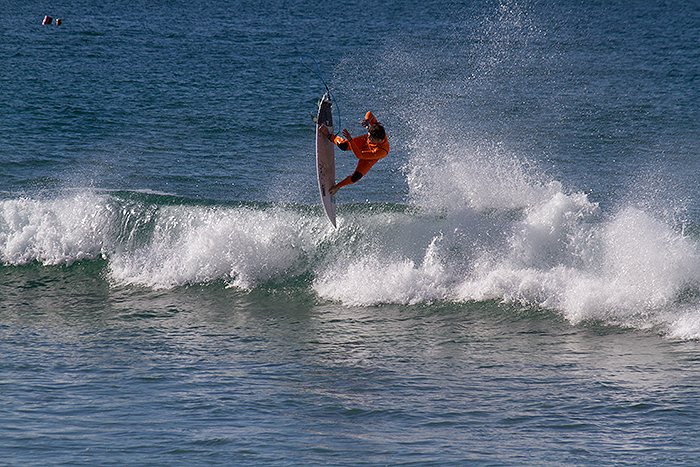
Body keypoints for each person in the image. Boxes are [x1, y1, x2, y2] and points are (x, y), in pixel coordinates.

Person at [319, 111, 389, 195]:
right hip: (363, 142)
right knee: (343, 145)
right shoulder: (377, 129)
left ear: (378, 140)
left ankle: (337, 186)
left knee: (356, 177)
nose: (369, 138)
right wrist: (367, 120)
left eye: (371, 138)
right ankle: (329, 135)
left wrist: (350, 140)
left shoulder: (382, 151)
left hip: (369, 156)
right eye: (369, 135)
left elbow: (359, 155)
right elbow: (369, 114)